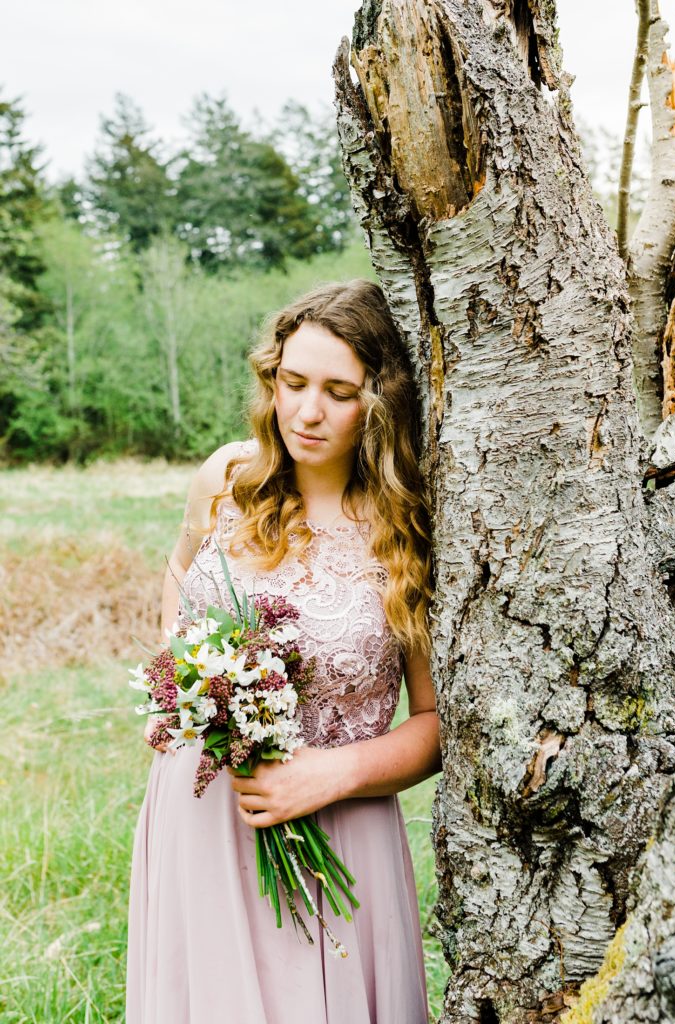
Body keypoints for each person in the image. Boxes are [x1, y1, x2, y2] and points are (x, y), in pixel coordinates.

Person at [126, 279, 442, 1024]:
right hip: (199, 808)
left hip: (339, 820)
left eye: (338, 391)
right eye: (292, 383)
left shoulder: (409, 527)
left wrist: (330, 774)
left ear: (380, 399)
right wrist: (184, 683)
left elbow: (437, 723)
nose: (306, 412)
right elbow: (179, 579)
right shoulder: (226, 480)